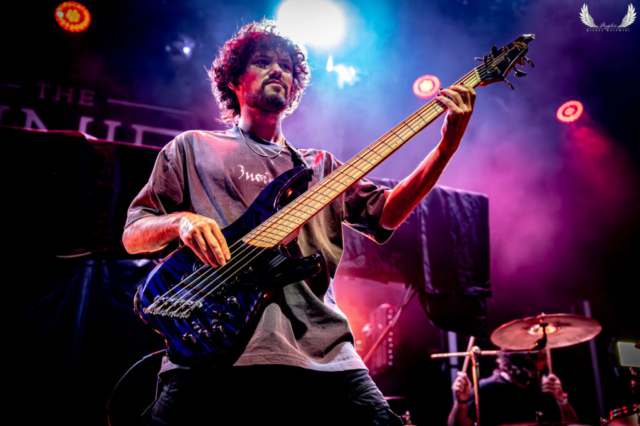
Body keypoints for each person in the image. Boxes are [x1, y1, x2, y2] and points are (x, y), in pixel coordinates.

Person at [123, 19, 476, 426]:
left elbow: (388, 214)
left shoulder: (320, 167)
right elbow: (134, 235)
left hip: (324, 353)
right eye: (263, 61)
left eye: (287, 66)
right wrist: (181, 222)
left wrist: (446, 147)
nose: (278, 70)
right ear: (235, 80)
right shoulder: (193, 148)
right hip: (211, 350)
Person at [447, 352, 580, 426]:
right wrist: (461, 403)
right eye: (541, 357)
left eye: (546, 357)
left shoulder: (543, 390)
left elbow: (573, 425)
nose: (545, 363)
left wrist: (562, 401)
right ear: (520, 361)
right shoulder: (486, 388)